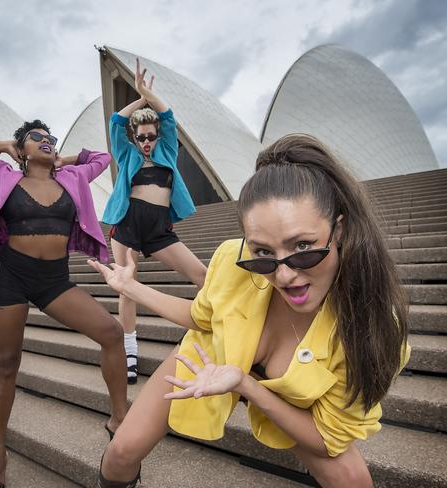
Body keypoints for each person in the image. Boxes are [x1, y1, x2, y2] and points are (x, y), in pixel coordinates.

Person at [89, 134, 411, 488]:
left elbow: (328, 438)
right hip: (209, 357)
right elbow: (202, 318)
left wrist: (246, 384)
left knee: (354, 481)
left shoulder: (372, 327)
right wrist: (130, 287)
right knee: (122, 451)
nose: (285, 275)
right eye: (262, 252)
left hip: (277, 396)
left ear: (340, 229)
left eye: (303, 246)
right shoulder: (233, 259)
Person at [0, 122, 128, 488]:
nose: (47, 142)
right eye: (37, 138)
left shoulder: (72, 177)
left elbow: (103, 157)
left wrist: (66, 157)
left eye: (51, 138)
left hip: (54, 280)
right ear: (22, 148)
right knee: (7, 364)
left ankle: (119, 417)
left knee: (112, 333)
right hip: (11, 275)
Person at [102, 58, 207, 384]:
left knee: (203, 274)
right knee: (127, 288)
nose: (146, 142)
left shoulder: (166, 151)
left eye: (150, 136)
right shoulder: (127, 154)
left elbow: (169, 118)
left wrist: (152, 95)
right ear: (134, 138)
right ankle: (129, 351)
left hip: (160, 230)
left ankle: (212, 329)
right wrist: (140, 99)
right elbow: (116, 122)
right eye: (141, 137)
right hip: (128, 227)